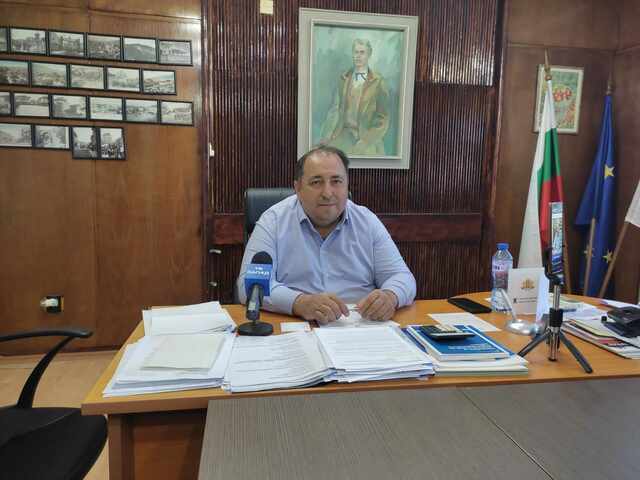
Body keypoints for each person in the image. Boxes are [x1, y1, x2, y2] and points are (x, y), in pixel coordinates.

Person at [237, 146, 416, 324]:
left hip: (361, 326)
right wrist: (299, 302)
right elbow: (248, 286)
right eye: (316, 182)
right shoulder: (273, 221)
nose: (327, 193)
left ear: (347, 185)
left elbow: (402, 277)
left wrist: (390, 296)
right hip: (297, 325)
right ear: (298, 188)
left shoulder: (367, 221)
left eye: (336, 181)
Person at [318, 39, 390, 156]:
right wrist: (327, 135)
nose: (358, 56)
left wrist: (366, 140)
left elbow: (383, 119)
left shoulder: (378, 82)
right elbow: (334, 110)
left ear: (369, 54)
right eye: (356, 52)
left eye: (362, 52)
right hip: (343, 133)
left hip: (366, 137)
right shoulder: (344, 78)